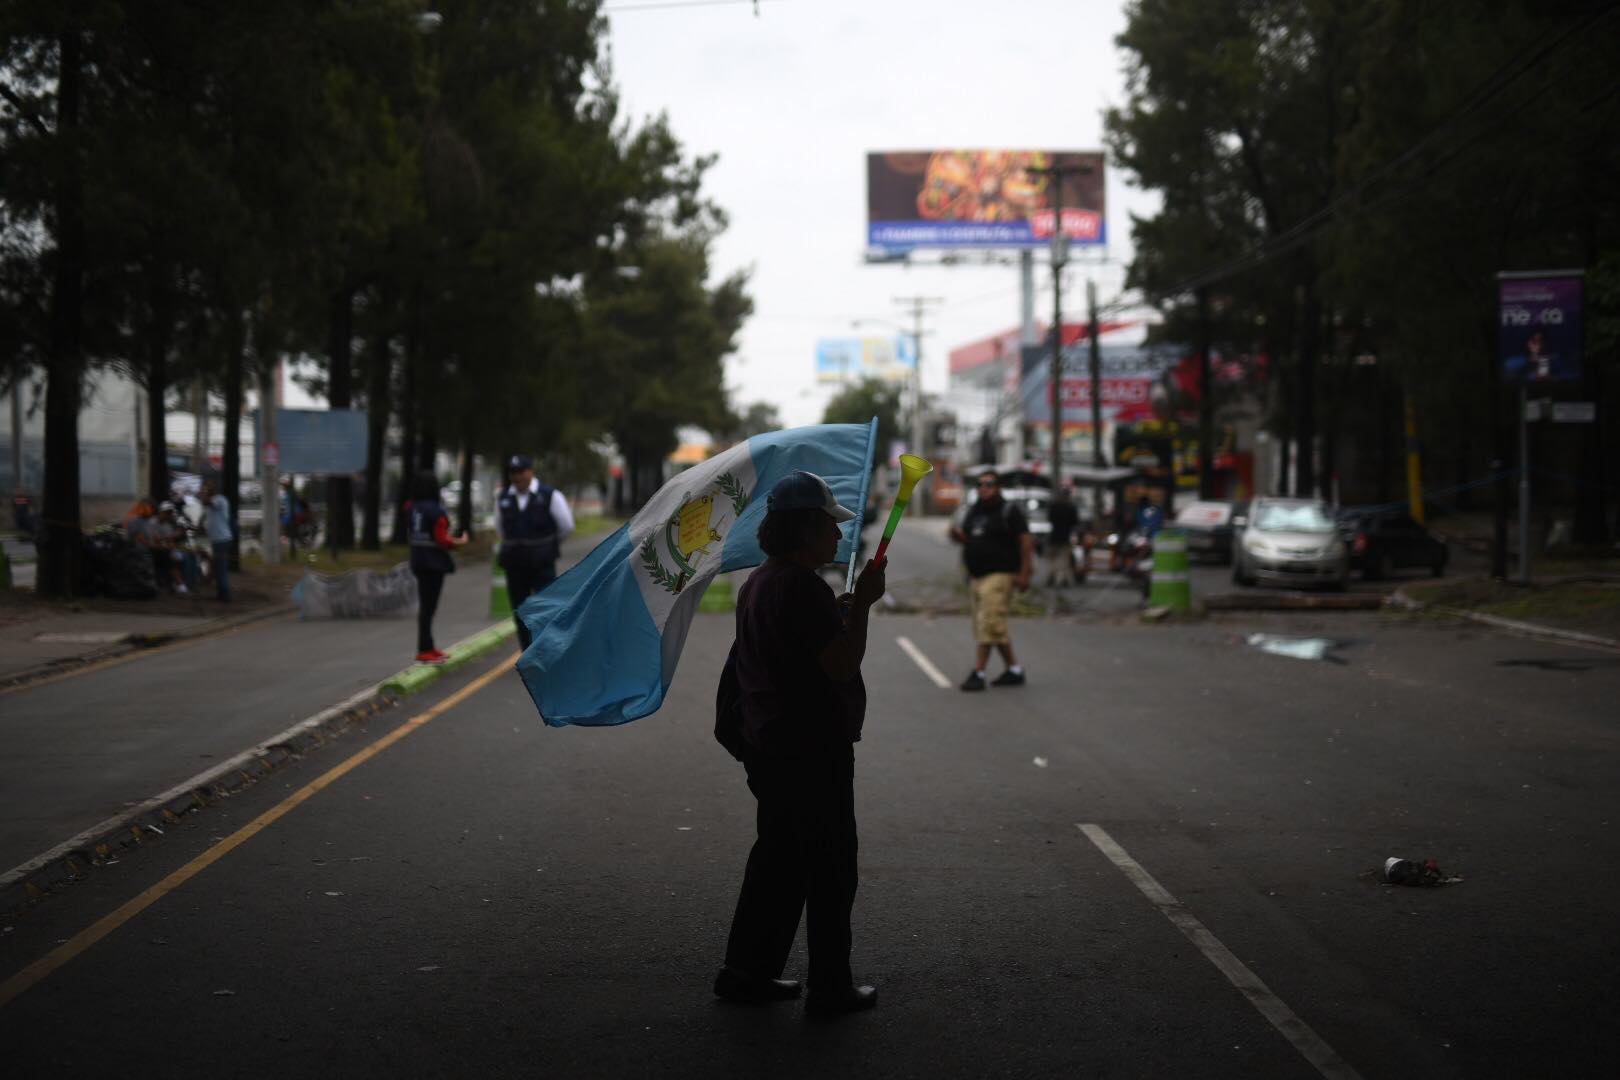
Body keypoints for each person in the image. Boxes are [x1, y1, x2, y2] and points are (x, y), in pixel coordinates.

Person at [715, 471, 886, 1016]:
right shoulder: (801, 587)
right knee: (831, 868)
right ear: (805, 528)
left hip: (769, 744)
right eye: (829, 527)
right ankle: (831, 987)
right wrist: (861, 609)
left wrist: (840, 611)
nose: (838, 539)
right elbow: (839, 665)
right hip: (810, 749)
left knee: (779, 864)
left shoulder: (763, 581)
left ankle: (746, 973)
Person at [948, 469, 1032, 691]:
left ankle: (979, 672)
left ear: (998, 487)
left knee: (989, 621)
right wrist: (957, 536)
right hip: (977, 576)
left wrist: (1025, 573)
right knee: (990, 625)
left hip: (1000, 575)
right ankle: (1014, 670)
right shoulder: (975, 510)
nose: (984, 488)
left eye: (989, 484)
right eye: (980, 484)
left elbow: (1025, 541)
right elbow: (966, 536)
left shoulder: (1009, 510)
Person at [496, 453, 573, 645]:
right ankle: (527, 654)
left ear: (530, 471)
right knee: (520, 612)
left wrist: (547, 547)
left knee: (546, 611)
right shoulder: (503, 497)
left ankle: (546, 652)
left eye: (521, 472)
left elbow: (566, 526)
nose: (517, 477)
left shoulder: (549, 495)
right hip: (515, 566)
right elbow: (501, 529)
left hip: (542, 565)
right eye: (513, 473)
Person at [406, 471, 468, 664]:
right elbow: (442, 540)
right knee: (428, 607)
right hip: (433, 563)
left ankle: (428, 646)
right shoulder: (436, 511)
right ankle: (424, 649)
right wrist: (460, 541)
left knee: (426, 606)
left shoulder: (410, 507)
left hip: (417, 560)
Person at [201, 480, 234, 602]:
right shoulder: (213, 501)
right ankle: (221, 592)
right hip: (217, 540)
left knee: (220, 568)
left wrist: (204, 494)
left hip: (222, 540)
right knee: (217, 567)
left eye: (208, 489)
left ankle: (225, 595)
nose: (205, 492)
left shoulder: (219, 500)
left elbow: (207, 502)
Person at [1045, 486, 1080, 588]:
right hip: (1066, 535)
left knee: (1052, 558)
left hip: (1054, 534)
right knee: (1065, 558)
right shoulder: (1070, 507)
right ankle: (1064, 577)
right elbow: (1075, 522)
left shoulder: (1054, 506)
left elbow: (1049, 518)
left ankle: (1051, 575)